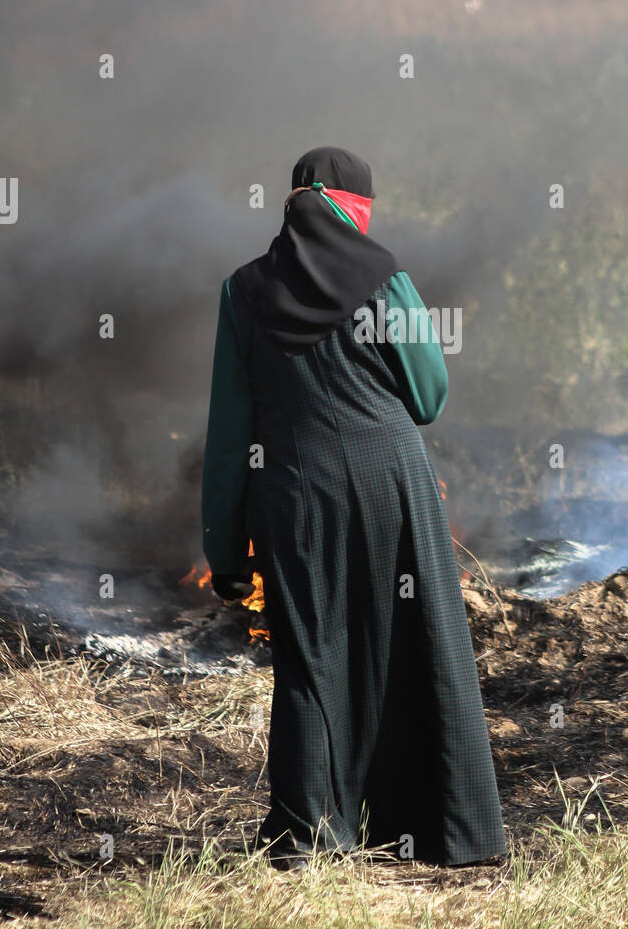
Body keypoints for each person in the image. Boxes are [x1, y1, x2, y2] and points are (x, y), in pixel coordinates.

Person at [201, 147, 506, 869]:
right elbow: (428, 398)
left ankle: (308, 841)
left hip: (294, 493)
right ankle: (448, 832)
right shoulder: (384, 276)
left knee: (310, 661)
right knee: (420, 644)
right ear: (354, 207)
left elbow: (227, 436)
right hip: (390, 484)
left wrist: (225, 552)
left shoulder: (242, 291)